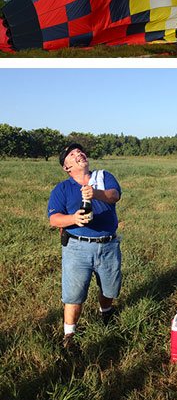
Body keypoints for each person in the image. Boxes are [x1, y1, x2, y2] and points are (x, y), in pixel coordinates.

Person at [48, 143, 122, 349]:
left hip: (108, 245)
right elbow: (54, 219)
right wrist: (74, 218)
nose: (78, 153)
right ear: (66, 167)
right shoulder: (62, 188)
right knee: (74, 294)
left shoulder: (103, 176)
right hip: (77, 248)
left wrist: (94, 193)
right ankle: (69, 337)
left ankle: (106, 314)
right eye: (72, 154)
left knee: (109, 288)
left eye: (79, 151)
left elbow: (114, 195)